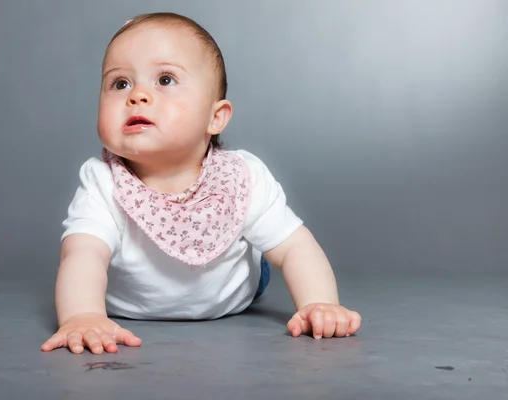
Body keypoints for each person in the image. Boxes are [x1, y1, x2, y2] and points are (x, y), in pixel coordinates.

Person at [41, 12, 361, 355]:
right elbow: (82, 253)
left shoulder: (242, 178)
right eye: (120, 83)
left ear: (215, 117)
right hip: (127, 306)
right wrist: (83, 314)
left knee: (265, 244)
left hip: (231, 293)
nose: (137, 95)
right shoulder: (103, 181)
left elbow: (295, 246)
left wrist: (320, 303)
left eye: (164, 79)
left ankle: (248, 259)